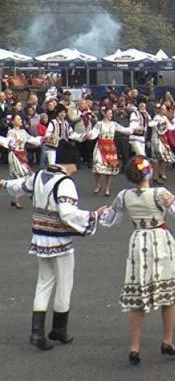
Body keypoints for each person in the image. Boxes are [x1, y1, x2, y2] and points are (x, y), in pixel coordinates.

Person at [96, 157, 175, 364]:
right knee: (168, 294)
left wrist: (98, 213)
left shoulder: (124, 195)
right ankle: (167, 341)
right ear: (149, 173)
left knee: (139, 293)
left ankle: (134, 346)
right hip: (161, 241)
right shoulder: (160, 193)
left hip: (138, 240)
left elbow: (109, 219)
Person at [0, 142, 99, 350]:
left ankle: (37, 332)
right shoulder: (65, 182)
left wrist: (3, 183)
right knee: (64, 281)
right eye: (75, 165)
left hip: (39, 237)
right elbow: (68, 213)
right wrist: (93, 216)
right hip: (59, 239)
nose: (75, 169)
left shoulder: (39, 176)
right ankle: (59, 329)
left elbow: (20, 185)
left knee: (44, 282)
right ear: (70, 163)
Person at [86, 108, 134, 197]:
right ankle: (98, 185)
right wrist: (90, 135)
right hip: (100, 146)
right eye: (109, 113)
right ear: (104, 114)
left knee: (109, 168)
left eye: (111, 114)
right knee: (98, 165)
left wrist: (133, 127)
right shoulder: (99, 124)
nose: (111, 115)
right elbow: (95, 132)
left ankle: (107, 188)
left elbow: (125, 130)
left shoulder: (114, 124)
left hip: (110, 147)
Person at [2, 114, 43, 209]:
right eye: (18, 119)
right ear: (13, 122)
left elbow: (32, 140)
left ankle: (15, 200)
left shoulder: (23, 131)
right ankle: (33, 196)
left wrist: (43, 138)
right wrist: (18, 142)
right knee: (25, 174)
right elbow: (10, 145)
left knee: (17, 177)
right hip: (14, 155)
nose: (21, 120)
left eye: (21, 119)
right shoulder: (11, 132)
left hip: (21, 154)